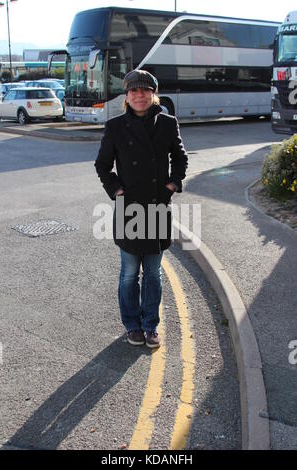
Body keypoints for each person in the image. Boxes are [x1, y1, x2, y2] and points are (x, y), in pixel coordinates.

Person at [94, 70, 188, 348]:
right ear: (127, 96)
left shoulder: (168, 124)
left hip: (158, 205)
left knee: (154, 273)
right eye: (134, 91)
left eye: (145, 91)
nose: (140, 96)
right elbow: (102, 166)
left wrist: (171, 185)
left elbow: (180, 158)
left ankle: (150, 326)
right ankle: (132, 325)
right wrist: (116, 190)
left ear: (153, 94)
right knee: (129, 272)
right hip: (129, 209)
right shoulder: (114, 127)